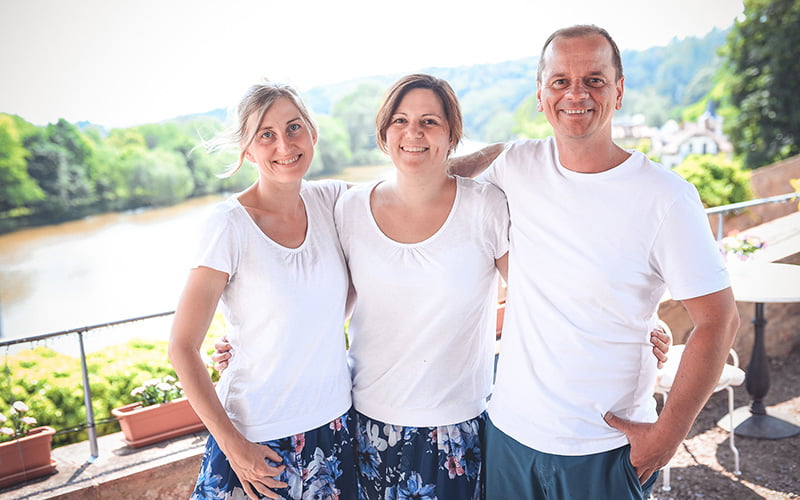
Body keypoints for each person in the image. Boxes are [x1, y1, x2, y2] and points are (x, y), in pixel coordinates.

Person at [450, 25, 740, 500]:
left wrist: (668, 437)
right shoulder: (515, 164)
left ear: (619, 90)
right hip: (508, 435)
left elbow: (719, 320)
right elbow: (436, 179)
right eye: (560, 81)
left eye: (595, 80)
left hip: (603, 447)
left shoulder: (666, 198)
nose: (576, 93)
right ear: (541, 95)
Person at [168, 82, 357, 500]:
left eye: (293, 128)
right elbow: (182, 347)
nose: (284, 144)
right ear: (247, 150)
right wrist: (235, 448)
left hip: (336, 427)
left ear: (312, 132)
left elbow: (413, 191)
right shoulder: (228, 226)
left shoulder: (334, 200)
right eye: (265, 135)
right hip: (257, 440)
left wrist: (499, 159)